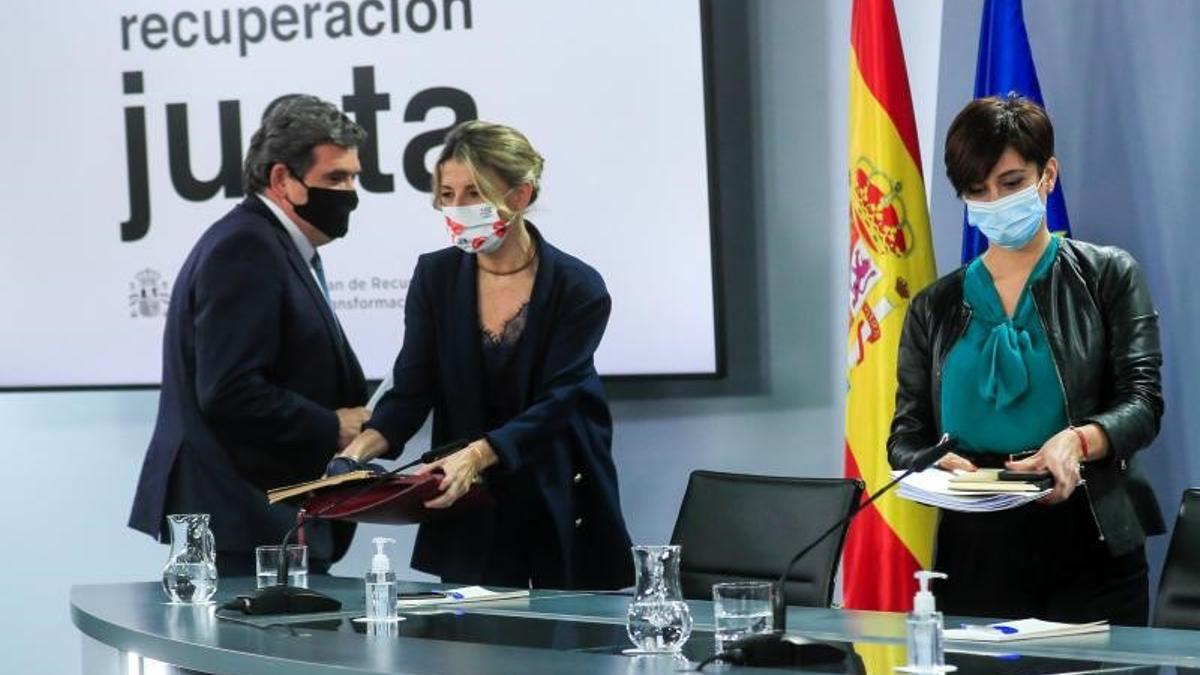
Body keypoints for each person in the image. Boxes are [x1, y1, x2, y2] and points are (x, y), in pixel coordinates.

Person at [888, 95, 1165, 625]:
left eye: (1011, 183)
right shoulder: (934, 306)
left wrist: (1079, 439)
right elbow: (904, 437)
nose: (995, 200)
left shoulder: (1108, 276)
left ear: (1048, 175)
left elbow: (1143, 402)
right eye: (978, 190)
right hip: (974, 548)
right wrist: (929, 459)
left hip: (1089, 535)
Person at [333, 121, 634, 589]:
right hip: (469, 496)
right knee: (466, 641)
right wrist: (353, 456)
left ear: (519, 196)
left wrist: (476, 455)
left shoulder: (578, 287)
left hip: (554, 484)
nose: (457, 209)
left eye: (474, 193)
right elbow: (412, 387)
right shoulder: (435, 277)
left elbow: (558, 402)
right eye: (447, 195)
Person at [128, 95, 371, 576]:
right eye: (335, 179)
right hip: (242, 516)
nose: (351, 193)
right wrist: (333, 425)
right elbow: (229, 390)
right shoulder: (247, 247)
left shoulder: (278, 245)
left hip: (259, 515)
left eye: (354, 177)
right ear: (282, 180)